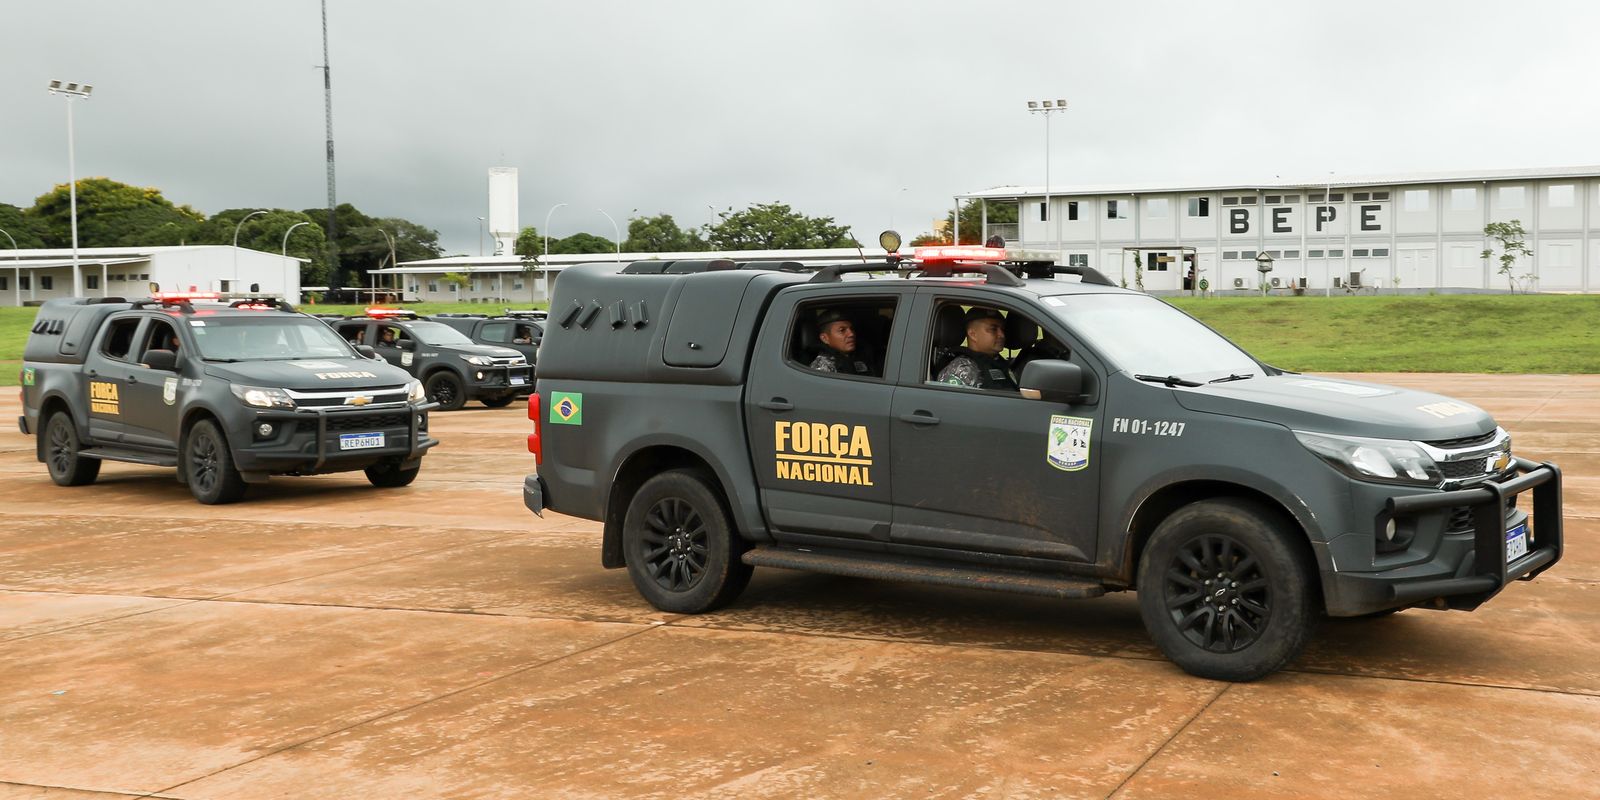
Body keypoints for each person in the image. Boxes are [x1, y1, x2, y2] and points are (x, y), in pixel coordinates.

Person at [937, 306, 1018, 391]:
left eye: (1002, 329)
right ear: (973, 334)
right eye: (993, 329)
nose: (1002, 335)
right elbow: (947, 402)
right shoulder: (963, 369)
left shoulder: (999, 363)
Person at [808, 309, 874, 376]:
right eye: (842, 330)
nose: (851, 334)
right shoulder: (822, 368)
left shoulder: (862, 355)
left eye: (851, 329)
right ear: (825, 338)